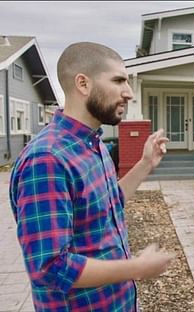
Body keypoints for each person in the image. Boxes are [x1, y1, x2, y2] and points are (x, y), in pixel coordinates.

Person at [9, 42, 172, 311]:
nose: (129, 93)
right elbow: (50, 267)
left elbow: (109, 204)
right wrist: (136, 268)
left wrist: (145, 164)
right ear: (83, 84)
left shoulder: (93, 144)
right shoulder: (47, 159)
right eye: (119, 80)